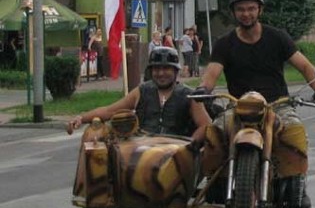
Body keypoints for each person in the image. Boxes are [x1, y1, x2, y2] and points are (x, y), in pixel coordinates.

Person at [194, 0, 315, 208]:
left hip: (277, 104)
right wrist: (203, 89)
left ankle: (297, 184)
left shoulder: (277, 38)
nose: (246, 13)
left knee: (295, 129)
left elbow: (304, 65)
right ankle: (216, 182)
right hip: (238, 105)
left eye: (250, 8)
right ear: (234, 12)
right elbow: (211, 74)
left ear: (260, 10)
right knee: (216, 131)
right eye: (240, 9)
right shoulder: (225, 44)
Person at [66, 46, 211, 144]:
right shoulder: (142, 91)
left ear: (176, 71)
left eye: (166, 68)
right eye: (156, 69)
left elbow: (205, 125)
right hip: (142, 150)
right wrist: (81, 118)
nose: (161, 73)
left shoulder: (189, 95)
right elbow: (109, 111)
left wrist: (189, 145)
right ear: (151, 71)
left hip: (176, 152)